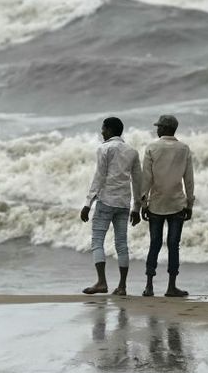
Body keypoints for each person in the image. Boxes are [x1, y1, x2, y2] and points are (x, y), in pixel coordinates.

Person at [80, 116, 142, 295]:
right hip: (123, 203)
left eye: (103, 128)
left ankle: (101, 282)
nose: (101, 132)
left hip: (106, 201)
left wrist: (87, 203)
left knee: (97, 241)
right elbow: (138, 181)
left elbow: (99, 177)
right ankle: (122, 286)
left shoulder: (104, 148)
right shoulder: (132, 151)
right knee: (122, 244)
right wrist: (136, 207)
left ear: (109, 130)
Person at [140, 114, 194, 297]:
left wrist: (143, 203)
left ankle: (149, 286)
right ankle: (171, 286)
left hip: (156, 203)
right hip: (177, 203)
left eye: (159, 127)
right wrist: (190, 203)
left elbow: (146, 178)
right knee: (174, 245)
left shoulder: (152, 148)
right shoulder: (184, 149)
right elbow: (189, 179)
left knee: (154, 244)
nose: (157, 129)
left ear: (164, 128)